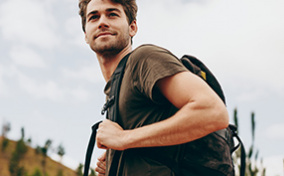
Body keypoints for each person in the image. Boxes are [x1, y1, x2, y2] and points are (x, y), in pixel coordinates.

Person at [79, 0, 232, 175]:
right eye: (93, 17)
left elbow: (213, 112)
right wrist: (121, 162)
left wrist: (123, 138)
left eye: (112, 14)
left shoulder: (143, 59)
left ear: (132, 28)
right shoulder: (115, 89)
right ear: (85, 34)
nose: (102, 22)